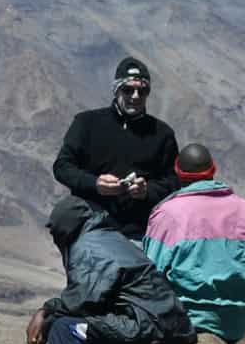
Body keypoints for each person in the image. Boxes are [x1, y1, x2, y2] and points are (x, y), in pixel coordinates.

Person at [23, 196, 196, 344]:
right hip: (160, 323)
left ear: (64, 227)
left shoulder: (90, 246)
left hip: (150, 325)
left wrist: (44, 313)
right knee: (75, 325)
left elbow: (81, 301)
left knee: (65, 328)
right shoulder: (106, 237)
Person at [141, 143, 245, 343]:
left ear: (178, 172)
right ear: (213, 169)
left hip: (187, 321)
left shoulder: (169, 213)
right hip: (236, 321)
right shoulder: (244, 208)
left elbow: (149, 273)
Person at [52, 56, 181, 239]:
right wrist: (95, 183)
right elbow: (62, 167)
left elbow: (174, 181)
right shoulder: (87, 123)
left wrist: (146, 191)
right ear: (116, 90)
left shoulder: (162, 134)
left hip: (139, 231)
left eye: (142, 91)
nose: (135, 96)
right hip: (91, 224)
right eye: (128, 90)